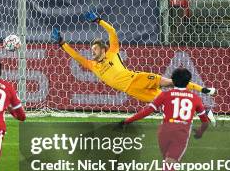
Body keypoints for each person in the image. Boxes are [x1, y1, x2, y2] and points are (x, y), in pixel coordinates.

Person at [52, 12, 216, 103]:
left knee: (172, 82)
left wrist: (98, 21)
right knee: (168, 101)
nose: (92, 52)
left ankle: (204, 90)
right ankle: (202, 111)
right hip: (132, 90)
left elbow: (112, 32)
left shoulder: (112, 52)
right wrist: (62, 43)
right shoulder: (92, 66)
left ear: (103, 49)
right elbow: (76, 56)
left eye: (94, 49)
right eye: (91, 50)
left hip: (138, 78)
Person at [120, 68, 214, 171]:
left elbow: (147, 111)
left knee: (166, 163)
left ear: (172, 81)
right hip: (181, 132)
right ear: (188, 82)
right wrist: (200, 132)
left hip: (164, 131)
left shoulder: (165, 95)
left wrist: (128, 120)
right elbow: (205, 121)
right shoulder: (195, 98)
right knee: (170, 165)